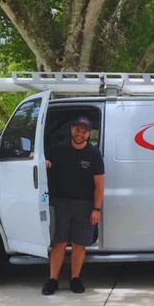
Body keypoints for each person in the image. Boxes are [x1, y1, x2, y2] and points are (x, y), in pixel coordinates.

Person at [41, 116, 104, 295]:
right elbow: (36, 163)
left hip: (85, 205)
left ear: (89, 134)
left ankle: (75, 279)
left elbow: (99, 185)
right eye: (77, 129)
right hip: (59, 204)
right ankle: (52, 280)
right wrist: (42, 163)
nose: (80, 133)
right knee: (58, 243)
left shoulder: (94, 154)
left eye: (84, 131)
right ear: (72, 130)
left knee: (79, 244)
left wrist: (96, 209)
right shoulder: (56, 150)